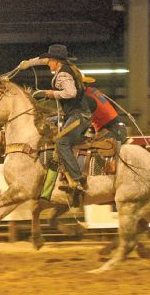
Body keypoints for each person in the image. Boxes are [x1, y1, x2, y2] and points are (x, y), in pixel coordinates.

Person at [18, 44, 91, 192]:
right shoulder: (65, 68)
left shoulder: (63, 75)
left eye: (50, 60)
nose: (48, 63)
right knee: (44, 122)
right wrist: (28, 63)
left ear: (56, 61)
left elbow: (71, 93)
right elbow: (42, 60)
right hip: (72, 115)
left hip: (79, 117)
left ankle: (78, 179)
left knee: (61, 141)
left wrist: (53, 94)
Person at [82, 76, 128, 147]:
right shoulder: (92, 92)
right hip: (116, 129)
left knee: (92, 149)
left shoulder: (87, 99)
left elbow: (80, 121)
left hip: (112, 131)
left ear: (81, 85)